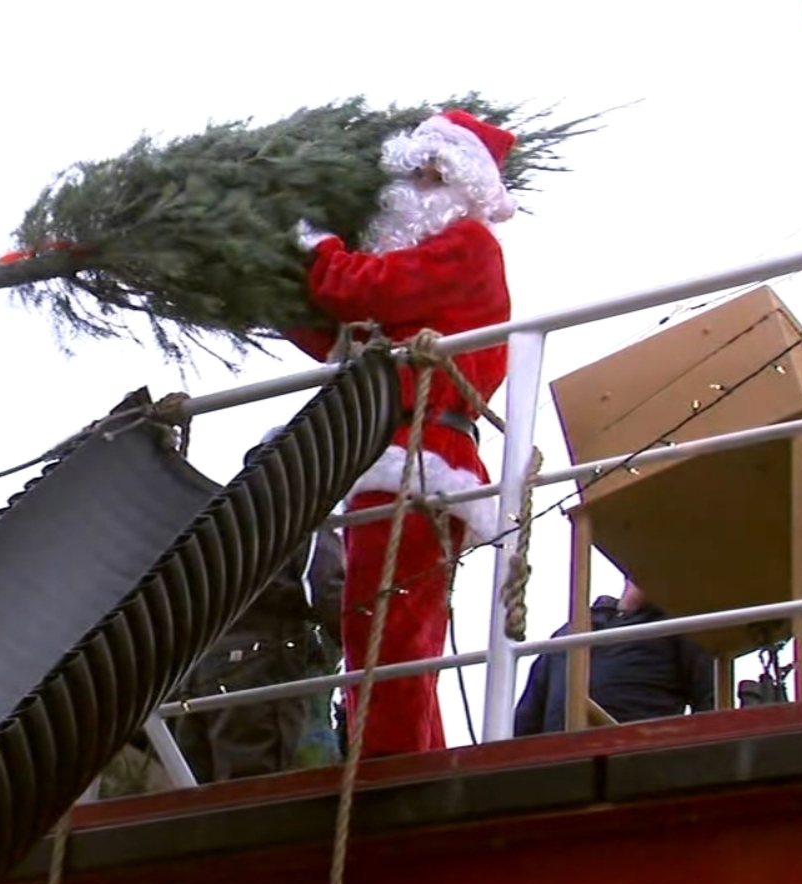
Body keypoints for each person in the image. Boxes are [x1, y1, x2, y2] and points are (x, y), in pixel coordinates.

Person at [280, 109, 519, 759]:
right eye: (413, 172)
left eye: (431, 174)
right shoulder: (427, 270)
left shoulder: (468, 246)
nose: (414, 187)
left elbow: (370, 290)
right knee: (385, 625)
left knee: (387, 625)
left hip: (424, 455)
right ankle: (408, 759)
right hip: (395, 452)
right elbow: (345, 338)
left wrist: (322, 250)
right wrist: (278, 296)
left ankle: (390, 768)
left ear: (463, 184)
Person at [97, 431, 348, 796]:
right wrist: (371, 645)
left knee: (200, 794)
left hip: (192, 676)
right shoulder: (300, 512)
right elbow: (326, 590)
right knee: (253, 791)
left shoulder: (215, 519)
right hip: (257, 670)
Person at [513, 579, 716, 736]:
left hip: (632, 759)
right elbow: (528, 716)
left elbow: (711, 703)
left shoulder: (681, 626)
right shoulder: (572, 629)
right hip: (556, 760)